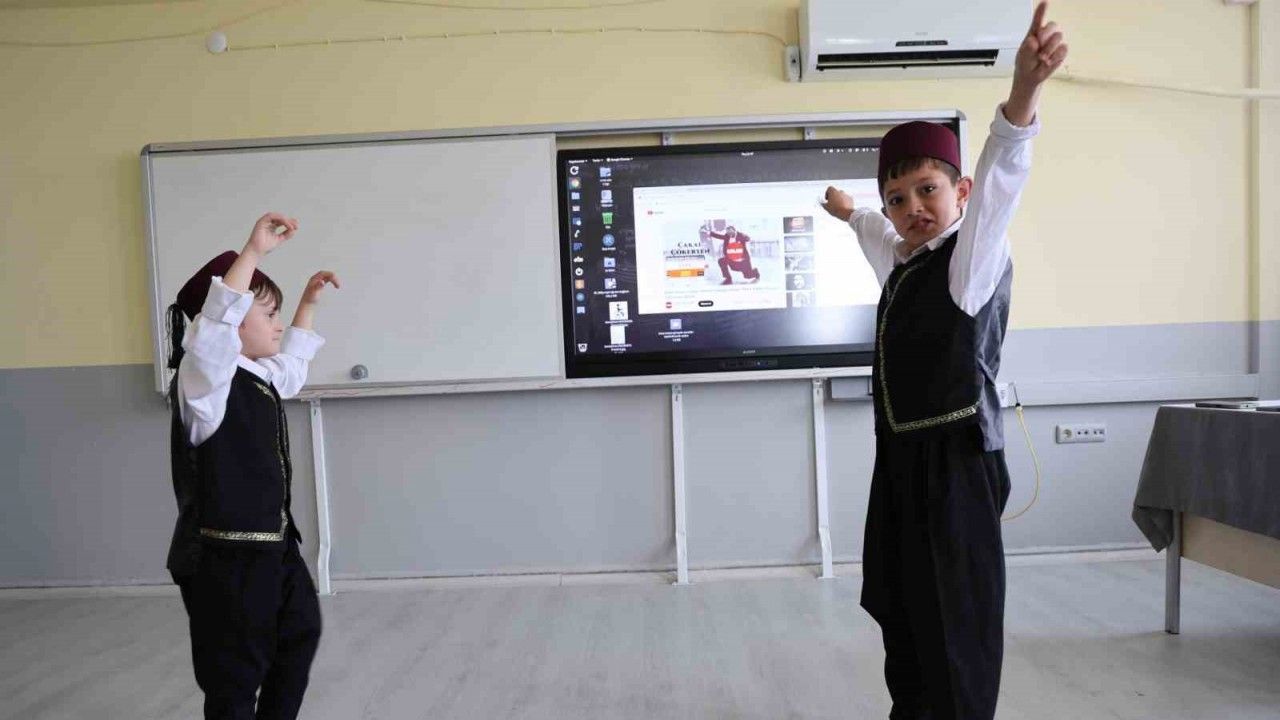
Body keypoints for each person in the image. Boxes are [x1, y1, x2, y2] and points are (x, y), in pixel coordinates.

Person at [820, 3, 1067, 718]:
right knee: (905, 615)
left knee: (955, 624)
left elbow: (1001, 176)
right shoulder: (901, 259)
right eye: (897, 198)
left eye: (927, 190)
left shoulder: (969, 263)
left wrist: (1023, 93)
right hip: (901, 466)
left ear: (959, 193)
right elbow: (874, 231)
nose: (911, 208)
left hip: (955, 469)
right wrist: (850, 210)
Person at [164, 212, 340, 720]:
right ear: (232, 320)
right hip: (225, 558)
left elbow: (292, 370)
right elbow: (214, 330)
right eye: (269, 314)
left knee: (299, 633)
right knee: (235, 673)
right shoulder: (204, 382)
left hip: (273, 547)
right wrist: (254, 253)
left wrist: (307, 306)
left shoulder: (257, 376)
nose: (278, 324)